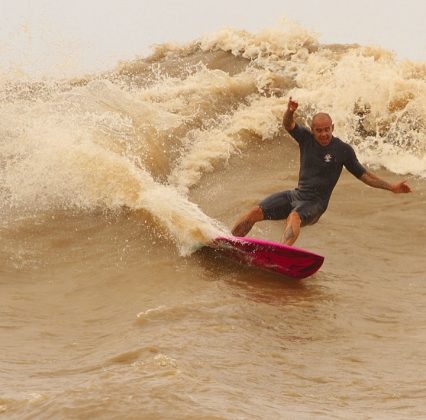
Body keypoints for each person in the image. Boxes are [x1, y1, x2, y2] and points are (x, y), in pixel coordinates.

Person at [231, 97, 412, 246]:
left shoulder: (343, 150)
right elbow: (288, 124)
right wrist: (290, 111)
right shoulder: (306, 139)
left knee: (294, 216)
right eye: (319, 131)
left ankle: (282, 251)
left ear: (332, 128)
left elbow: (365, 175)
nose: (324, 134)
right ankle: (230, 242)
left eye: (327, 130)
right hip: (296, 195)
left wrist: (392, 187)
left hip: (315, 204)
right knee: (255, 211)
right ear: (313, 130)